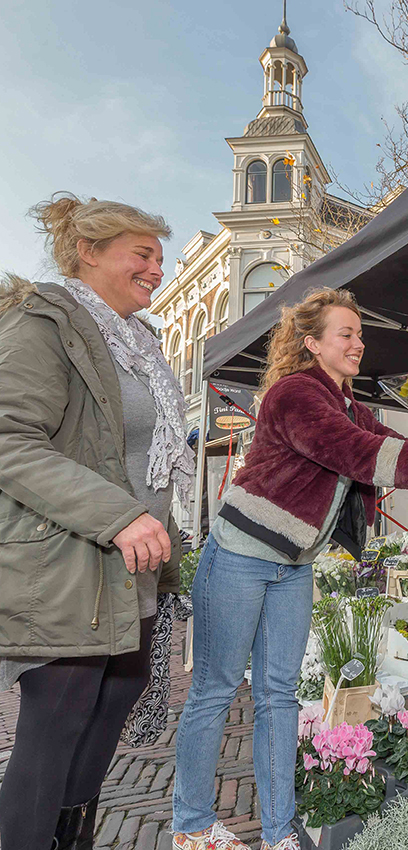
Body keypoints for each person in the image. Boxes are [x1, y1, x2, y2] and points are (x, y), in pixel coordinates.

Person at [172, 287, 408, 850]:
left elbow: (386, 441)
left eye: (360, 334)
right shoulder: (295, 395)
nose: (359, 343)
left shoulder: (350, 404)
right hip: (242, 556)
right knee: (215, 691)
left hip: (294, 566)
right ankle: (192, 825)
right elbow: (353, 452)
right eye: (345, 334)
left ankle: (278, 832)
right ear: (312, 344)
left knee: (277, 696)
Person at [0, 193, 193, 848]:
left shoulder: (142, 347)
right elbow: (10, 440)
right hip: (69, 566)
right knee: (56, 724)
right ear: (88, 252)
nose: (156, 270)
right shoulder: (44, 324)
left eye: (161, 259)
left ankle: (70, 838)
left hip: (130, 577)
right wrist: (120, 518)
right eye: (142, 254)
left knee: (107, 711)